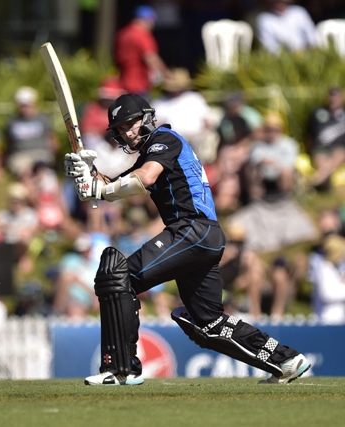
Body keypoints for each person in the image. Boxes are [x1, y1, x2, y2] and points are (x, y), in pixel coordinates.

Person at [63, 93, 310, 386]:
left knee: (119, 277)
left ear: (146, 118)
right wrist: (88, 175)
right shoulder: (152, 153)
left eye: (130, 124)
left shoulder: (164, 139)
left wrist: (100, 189)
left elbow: (145, 178)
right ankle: (285, 359)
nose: (125, 132)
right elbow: (117, 184)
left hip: (193, 230)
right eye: (120, 128)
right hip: (203, 237)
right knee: (209, 323)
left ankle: (121, 368)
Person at [152, 68, 219, 165]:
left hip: (196, 137)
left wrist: (207, 130)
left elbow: (207, 119)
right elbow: (156, 123)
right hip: (173, 138)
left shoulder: (194, 98)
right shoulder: (161, 102)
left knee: (206, 141)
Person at [114, 5, 170, 98]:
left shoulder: (123, 33)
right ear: (149, 19)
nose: (153, 25)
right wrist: (166, 74)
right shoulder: (142, 34)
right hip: (139, 85)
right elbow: (151, 58)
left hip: (123, 82)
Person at [4, 86, 58, 181]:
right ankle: (32, 192)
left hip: (41, 153)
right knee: (24, 172)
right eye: (22, 105)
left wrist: (55, 157)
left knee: (42, 170)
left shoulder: (43, 119)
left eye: (27, 105)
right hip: (20, 155)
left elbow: (52, 139)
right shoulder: (12, 122)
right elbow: (9, 143)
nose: (24, 108)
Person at [247, 111, 299, 200]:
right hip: (263, 177)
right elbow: (254, 159)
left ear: (281, 130)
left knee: (286, 172)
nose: (271, 133)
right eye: (268, 130)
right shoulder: (258, 144)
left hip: (280, 177)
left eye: (275, 130)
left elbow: (289, 164)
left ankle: (285, 200)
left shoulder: (289, 144)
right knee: (251, 169)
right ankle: (256, 200)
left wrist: (272, 164)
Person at [306, 87, 345, 191]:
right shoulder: (317, 113)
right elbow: (310, 135)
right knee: (322, 162)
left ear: (341, 98)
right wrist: (308, 151)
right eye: (331, 96)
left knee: (339, 154)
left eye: (336, 97)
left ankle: (314, 182)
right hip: (320, 147)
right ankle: (322, 183)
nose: (333, 100)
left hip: (340, 148)